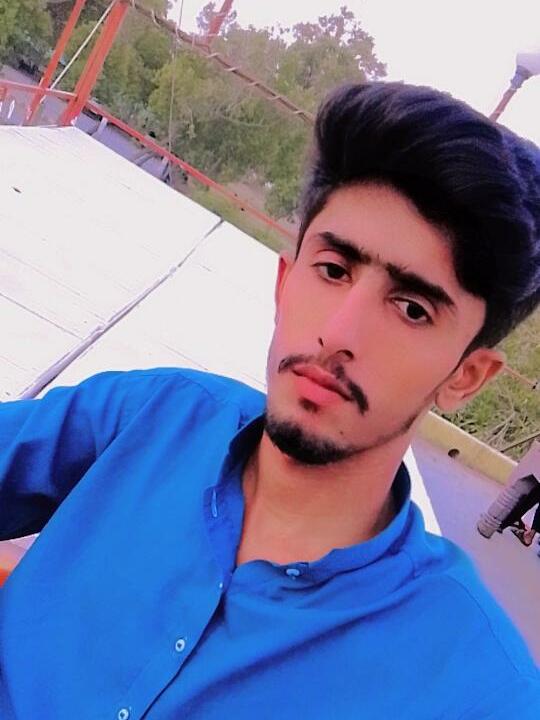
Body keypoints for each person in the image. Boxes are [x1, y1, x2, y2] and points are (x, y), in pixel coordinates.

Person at [1, 81, 540, 719]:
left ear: (466, 376)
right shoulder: (154, 415)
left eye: (412, 308)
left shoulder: (476, 687)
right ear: (285, 282)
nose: (338, 333)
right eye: (333, 270)